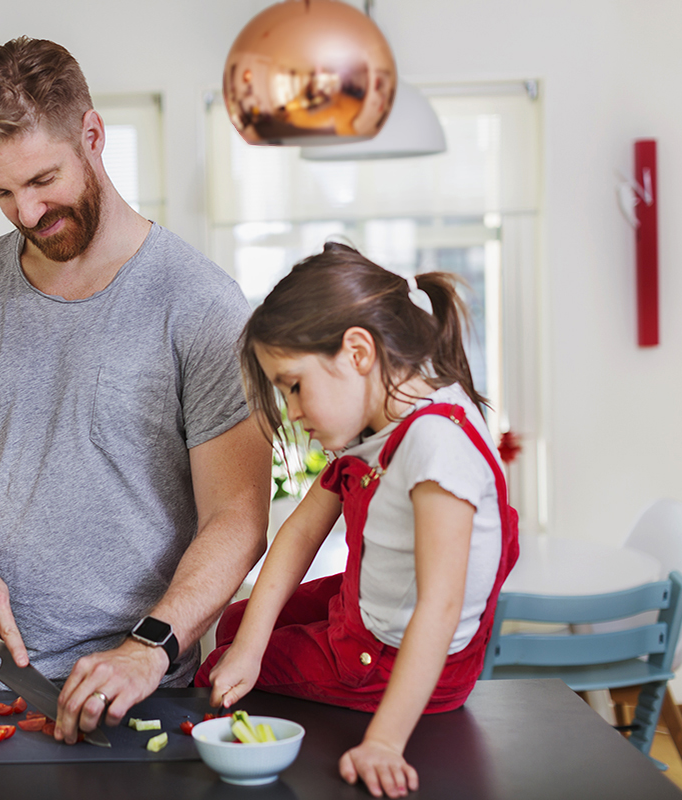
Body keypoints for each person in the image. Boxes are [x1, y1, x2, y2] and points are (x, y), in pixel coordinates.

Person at [0, 37, 270, 743]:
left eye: (42, 180)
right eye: (0, 192)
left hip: (135, 689)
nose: (25, 212)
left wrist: (150, 649)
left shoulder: (199, 303)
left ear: (91, 136)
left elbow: (238, 517)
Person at [197, 242, 519, 799]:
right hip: (368, 611)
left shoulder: (435, 446)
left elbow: (438, 609)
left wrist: (385, 742)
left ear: (358, 352)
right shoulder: (386, 417)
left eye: (294, 387)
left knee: (217, 665)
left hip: (393, 659)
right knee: (237, 629)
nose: (294, 414)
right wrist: (251, 642)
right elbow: (299, 531)